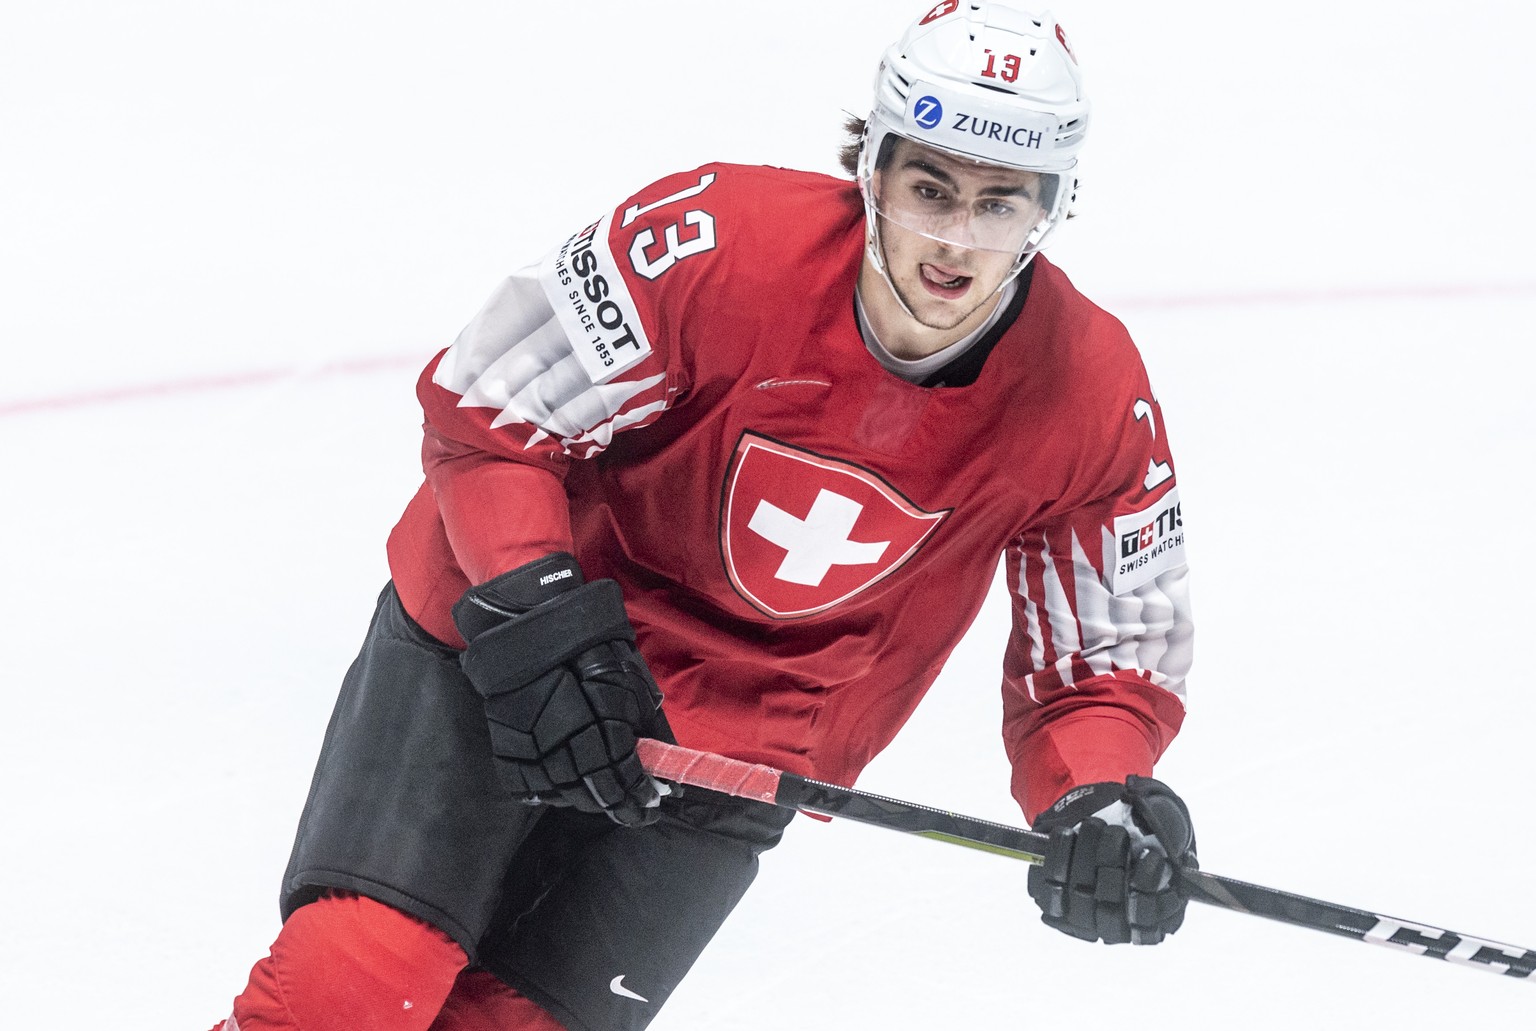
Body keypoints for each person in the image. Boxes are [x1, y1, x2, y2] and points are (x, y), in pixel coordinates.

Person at [213, 3, 1197, 1029]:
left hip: (737, 747)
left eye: (998, 205)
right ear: (875, 166)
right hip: (508, 657)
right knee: (347, 989)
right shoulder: (712, 241)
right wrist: (542, 619)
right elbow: (492, 411)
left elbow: (1101, 660)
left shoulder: (1090, 392)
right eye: (930, 188)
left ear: (1053, 203)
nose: (953, 241)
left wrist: (1101, 791)